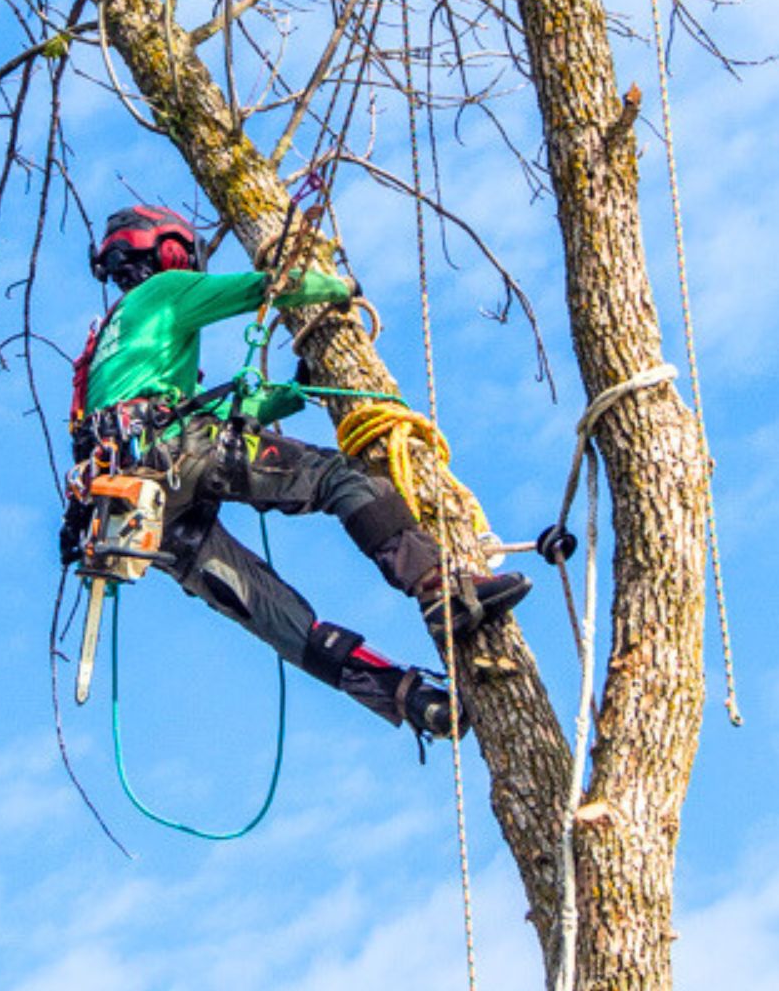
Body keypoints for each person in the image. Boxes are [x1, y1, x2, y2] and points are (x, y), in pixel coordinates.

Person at [60, 204, 530, 741]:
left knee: (278, 619)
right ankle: (438, 588)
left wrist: (291, 395)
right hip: (177, 456)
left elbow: (203, 416)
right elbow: (268, 287)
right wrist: (336, 287)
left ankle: (410, 699)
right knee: (341, 479)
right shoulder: (163, 295)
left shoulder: (106, 346)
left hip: (137, 512)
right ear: (168, 250)